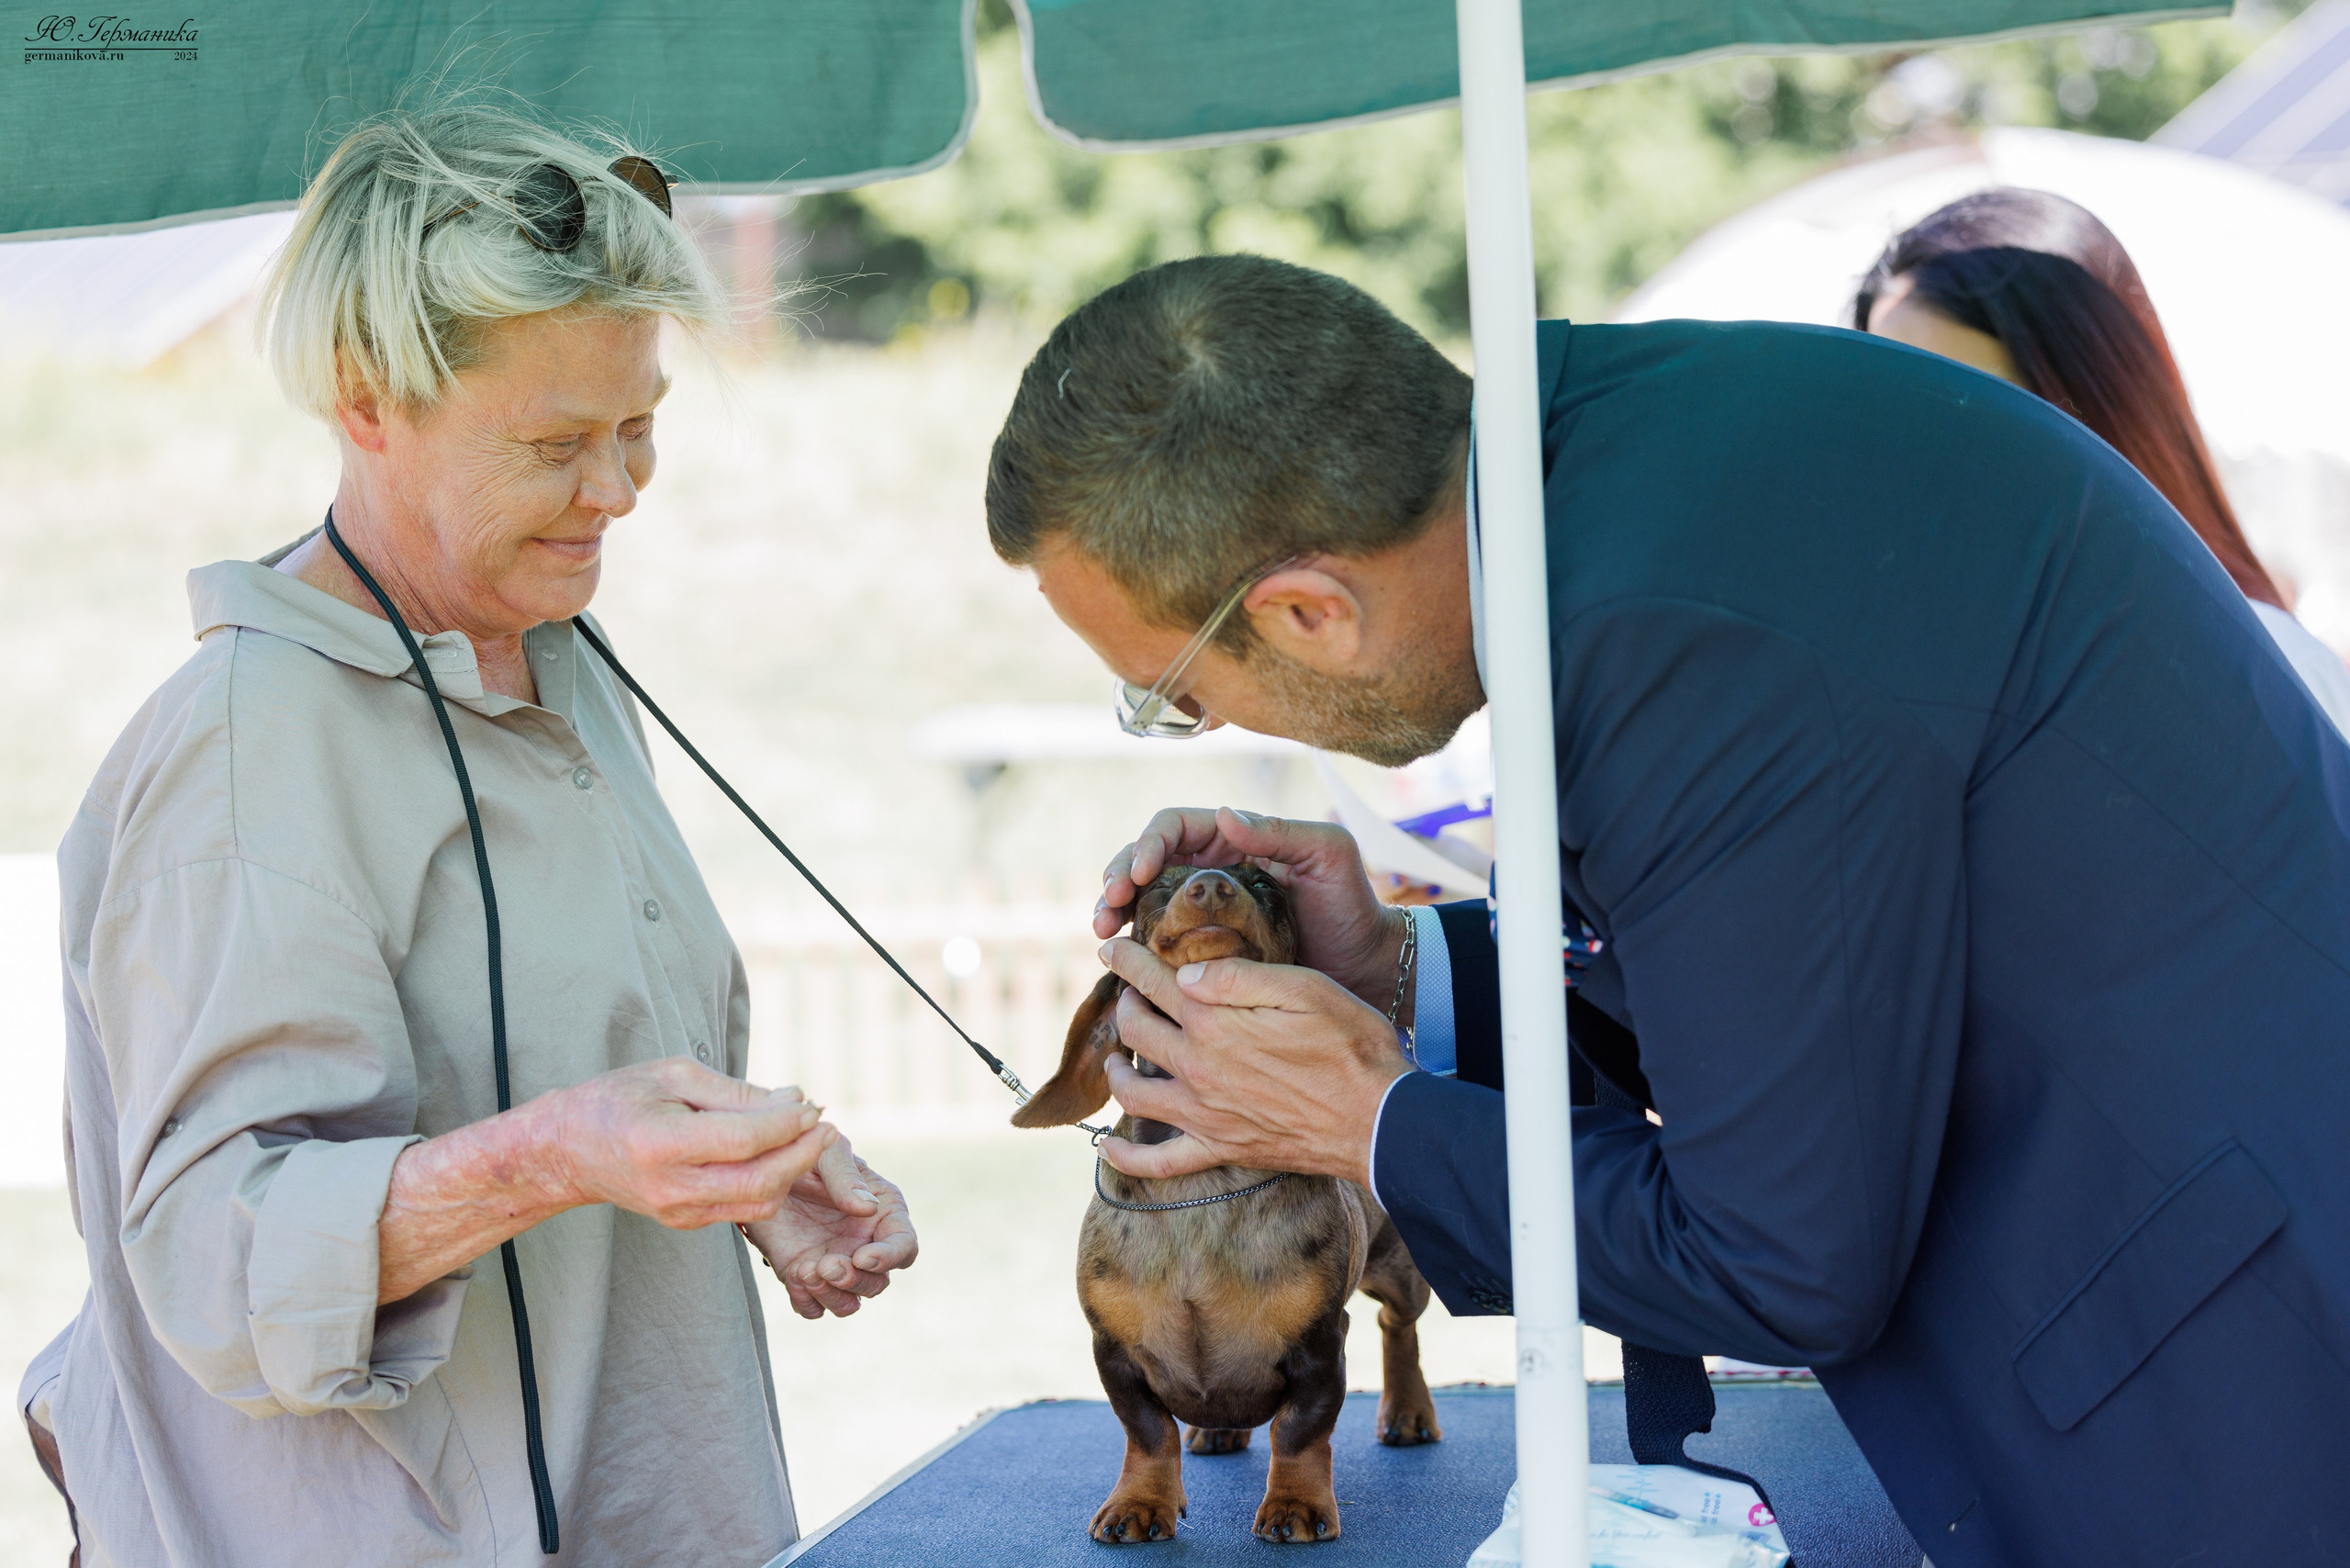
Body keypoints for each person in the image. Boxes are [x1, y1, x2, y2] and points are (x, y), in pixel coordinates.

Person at [982, 253, 2350, 1565]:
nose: (1197, 727)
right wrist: (1392, 969)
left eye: (1176, 697)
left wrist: (1373, 1121)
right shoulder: (1616, 466)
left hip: (2248, 1387)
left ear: (1305, 613)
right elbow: (1767, 960)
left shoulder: (1681, 633)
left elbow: (1781, 1262)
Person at [18, 102, 916, 1567]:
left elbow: (568, 1058)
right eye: (559, 441)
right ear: (369, 397)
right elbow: (211, 1258)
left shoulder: (553, 653)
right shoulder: (245, 753)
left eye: (641, 428)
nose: (618, 491)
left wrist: (737, 1185)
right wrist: (560, 1153)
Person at [1856, 186, 2350, 734]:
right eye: (1901, 415)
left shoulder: (2267, 681)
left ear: (2098, 400)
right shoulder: (1927, 686)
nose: (1933, 460)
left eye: (1979, 407)